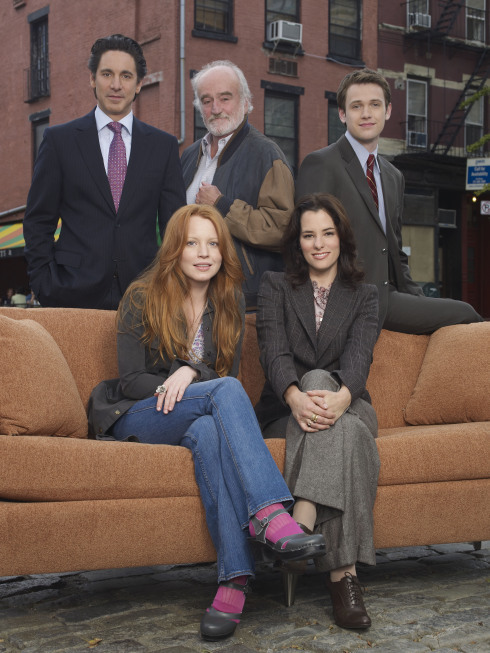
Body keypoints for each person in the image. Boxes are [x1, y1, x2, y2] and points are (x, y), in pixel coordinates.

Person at [87, 204, 326, 641]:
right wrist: (186, 374)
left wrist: (193, 373)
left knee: (209, 431)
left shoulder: (229, 299)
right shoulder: (142, 296)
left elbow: (221, 370)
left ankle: (232, 583)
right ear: (175, 249)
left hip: (195, 415)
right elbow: (132, 379)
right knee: (229, 392)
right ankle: (270, 513)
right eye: (193, 243)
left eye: (213, 243)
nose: (204, 253)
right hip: (139, 414)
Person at [255, 193, 380, 630]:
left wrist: (341, 397)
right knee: (321, 398)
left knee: (324, 386)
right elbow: (273, 350)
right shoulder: (275, 286)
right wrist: (295, 396)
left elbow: (359, 360)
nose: (319, 243)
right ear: (298, 243)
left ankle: (302, 518)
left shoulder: (364, 296)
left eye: (327, 233)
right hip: (289, 410)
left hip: (349, 404)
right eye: (309, 235)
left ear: (341, 239)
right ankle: (344, 580)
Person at [295, 69, 482, 334]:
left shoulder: (393, 176)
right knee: (466, 313)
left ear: (388, 110)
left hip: (388, 296)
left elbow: (395, 251)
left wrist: (418, 297)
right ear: (342, 114)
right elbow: (302, 244)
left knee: (463, 315)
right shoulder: (322, 163)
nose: (367, 113)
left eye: (375, 105)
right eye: (356, 106)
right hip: (348, 299)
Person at [23, 34, 186, 310]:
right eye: (107, 74)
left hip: (144, 297)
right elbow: (38, 220)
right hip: (69, 294)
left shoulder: (164, 146)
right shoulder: (59, 141)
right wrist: (44, 283)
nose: (115, 85)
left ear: (138, 85)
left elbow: (175, 228)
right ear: (92, 79)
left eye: (125, 76)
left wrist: (167, 287)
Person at [181, 60, 295, 310]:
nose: (216, 108)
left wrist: (223, 206)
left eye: (225, 98)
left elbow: (283, 229)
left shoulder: (267, 155)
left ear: (245, 102)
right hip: (188, 298)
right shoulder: (189, 157)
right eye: (206, 100)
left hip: (243, 302)